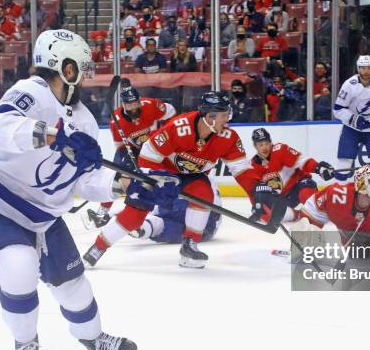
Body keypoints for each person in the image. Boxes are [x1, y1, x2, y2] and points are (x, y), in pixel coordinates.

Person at [0, 30, 153, 350]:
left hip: (42, 215)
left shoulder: (85, 120)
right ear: (65, 67)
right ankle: (25, 343)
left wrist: (126, 186)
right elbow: (1, 127)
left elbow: (84, 181)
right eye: (81, 66)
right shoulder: (30, 91)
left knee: (74, 286)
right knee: (19, 266)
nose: (86, 73)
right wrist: (52, 136)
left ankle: (93, 337)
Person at [84, 92, 267, 270]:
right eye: (224, 115)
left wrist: (257, 193)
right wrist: (156, 179)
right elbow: (148, 153)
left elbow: (242, 170)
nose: (227, 119)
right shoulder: (179, 128)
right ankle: (97, 248)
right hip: (161, 170)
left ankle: (189, 247)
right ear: (209, 117)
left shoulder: (228, 138)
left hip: (192, 176)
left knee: (204, 195)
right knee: (135, 212)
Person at [84, 79, 176, 228]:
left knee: (162, 174)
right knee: (117, 175)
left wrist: (165, 133)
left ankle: (161, 208)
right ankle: (102, 213)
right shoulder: (117, 122)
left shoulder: (151, 106)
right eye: (129, 104)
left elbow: (171, 111)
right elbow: (121, 147)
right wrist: (129, 162)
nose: (133, 107)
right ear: (124, 105)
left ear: (139, 101)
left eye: (135, 103)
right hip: (130, 149)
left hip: (153, 145)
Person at [249, 128, 335, 223]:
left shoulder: (280, 150)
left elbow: (301, 161)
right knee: (266, 215)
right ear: (255, 146)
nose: (264, 147)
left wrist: (318, 168)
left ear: (270, 142)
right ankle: (298, 214)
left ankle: (328, 209)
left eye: (266, 143)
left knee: (306, 194)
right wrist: (257, 205)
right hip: (284, 197)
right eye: (260, 145)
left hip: (300, 185)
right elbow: (255, 189)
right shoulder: (253, 164)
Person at [332, 55, 370, 181]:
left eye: (369, 68)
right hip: (351, 129)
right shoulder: (349, 85)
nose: (366, 71)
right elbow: (337, 109)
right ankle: (340, 196)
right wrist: (354, 119)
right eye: (363, 68)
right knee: (344, 163)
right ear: (358, 69)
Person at [131, 182, 222, 244]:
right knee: (161, 223)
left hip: (204, 224)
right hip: (176, 213)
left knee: (164, 226)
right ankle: (142, 224)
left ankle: (143, 227)